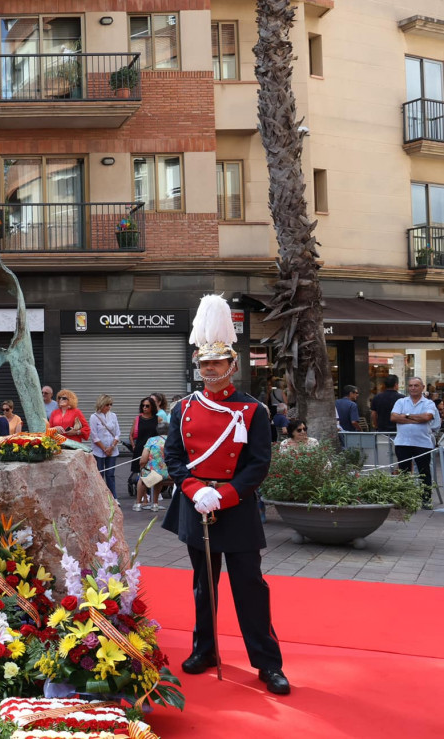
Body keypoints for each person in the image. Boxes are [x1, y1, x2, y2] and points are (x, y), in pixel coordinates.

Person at [163, 294, 289, 696]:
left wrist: (227, 495)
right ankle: (205, 649)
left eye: (218, 362)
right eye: (204, 363)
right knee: (204, 585)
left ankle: (267, 663)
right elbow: (174, 456)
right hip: (196, 505)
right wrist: (195, 490)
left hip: (234, 509)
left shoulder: (253, 410)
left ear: (232, 365)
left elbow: (258, 464)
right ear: (197, 367)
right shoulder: (182, 408)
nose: (211, 369)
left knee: (250, 586)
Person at [391, 376, 440, 510]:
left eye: (416, 385)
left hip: (422, 443)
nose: (413, 388)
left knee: (424, 473)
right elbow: (393, 417)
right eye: (411, 385)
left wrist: (405, 416)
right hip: (402, 442)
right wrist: (415, 418)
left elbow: (427, 417)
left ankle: (426, 500)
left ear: (422, 387)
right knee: (404, 472)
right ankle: (404, 499)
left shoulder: (428, 403)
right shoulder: (401, 401)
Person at [135, 420, 171, 512]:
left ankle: (138, 504)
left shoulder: (152, 440)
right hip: (169, 472)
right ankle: (155, 503)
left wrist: (141, 466)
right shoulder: (173, 440)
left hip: (153, 472)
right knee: (158, 476)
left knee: (142, 478)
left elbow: (143, 459)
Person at [90, 394, 121, 497]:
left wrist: (111, 447)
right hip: (99, 451)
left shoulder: (113, 416)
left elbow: (117, 433)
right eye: (107, 404)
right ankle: (100, 497)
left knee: (110, 474)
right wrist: (104, 449)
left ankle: (113, 497)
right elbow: (94, 436)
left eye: (111, 404)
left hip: (112, 449)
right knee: (99, 474)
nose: (109, 407)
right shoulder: (94, 417)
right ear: (101, 404)